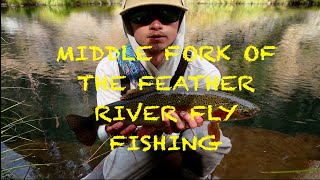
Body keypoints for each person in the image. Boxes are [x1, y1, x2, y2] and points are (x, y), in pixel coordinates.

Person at [83, 0, 232, 179]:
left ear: (180, 21)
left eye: (167, 14)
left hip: (186, 134)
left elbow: (208, 124)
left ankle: (192, 175)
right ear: (128, 23)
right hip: (141, 138)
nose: (155, 25)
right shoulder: (110, 67)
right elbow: (104, 132)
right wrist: (110, 131)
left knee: (209, 143)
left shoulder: (204, 72)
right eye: (141, 16)